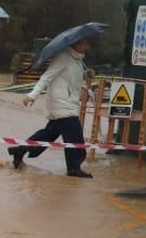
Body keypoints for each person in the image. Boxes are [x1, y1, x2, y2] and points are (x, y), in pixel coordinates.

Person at [12, 37, 94, 178]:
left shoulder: (78, 60)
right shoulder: (62, 58)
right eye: (85, 42)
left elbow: (71, 77)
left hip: (68, 104)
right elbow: (46, 77)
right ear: (76, 42)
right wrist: (32, 95)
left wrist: (85, 74)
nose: (87, 46)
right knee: (75, 138)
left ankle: (19, 150)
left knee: (48, 134)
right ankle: (74, 169)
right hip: (62, 104)